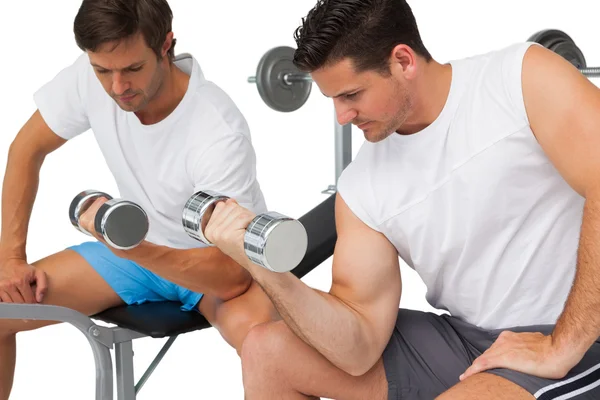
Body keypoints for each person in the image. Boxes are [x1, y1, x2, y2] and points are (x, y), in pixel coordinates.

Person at [203, 0, 600, 399]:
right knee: (267, 350)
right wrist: (265, 270)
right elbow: (356, 347)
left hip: (581, 334)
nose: (342, 116)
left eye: (352, 94)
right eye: (334, 100)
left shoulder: (519, 79)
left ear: (403, 61)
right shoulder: (362, 185)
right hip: (467, 341)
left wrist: (562, 345)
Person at [0, 0, 277, 398]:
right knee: (3, 308)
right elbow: (26, 149)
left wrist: (134, 249)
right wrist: (10, 260)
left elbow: (231, 275)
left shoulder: (216, 131)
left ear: (166, 45)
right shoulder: (92, 74)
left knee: (266, 345)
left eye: (133, 69)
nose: (117, 87)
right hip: (134, 255)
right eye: (102, 71)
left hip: (214, 266)